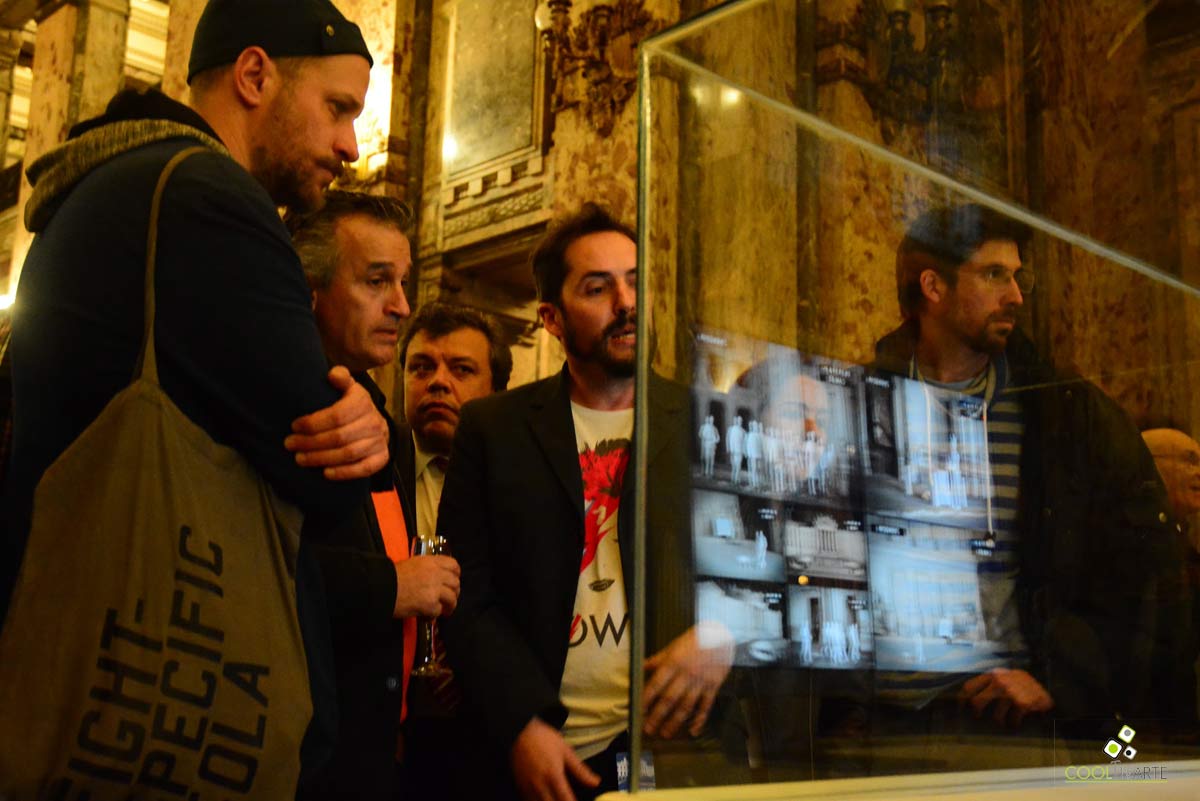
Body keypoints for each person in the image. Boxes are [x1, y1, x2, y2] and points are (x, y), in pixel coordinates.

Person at [0, 0, 391, 770]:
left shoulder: (114, 185)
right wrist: (358, 423)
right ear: (255, 75)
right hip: (157, 707)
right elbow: (328, 478)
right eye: (338, 108)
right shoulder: (210, 200)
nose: (350, 144)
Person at [439, 203, 733, 801]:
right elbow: (466, 593)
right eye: (597, 288)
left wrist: (725, 631)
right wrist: (520, 719)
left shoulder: (710, 423)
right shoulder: (494, 429)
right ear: (551, 317)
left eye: (633, 281)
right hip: (537, 750)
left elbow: (771, 562)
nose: (626, 303)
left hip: (670, 747)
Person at [872, 202, 1186, 747]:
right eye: (994, 275)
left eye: (1018, 277)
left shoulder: (1064, 415)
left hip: (1011, 730)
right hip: (883, 729)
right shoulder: (865, 404)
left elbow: (1144, 580)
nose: (1016, 296)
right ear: (933, 287)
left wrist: (1060, 682)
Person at [287, 191, 462, 800]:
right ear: (310, 288)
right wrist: (395, 587)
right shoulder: (287, 407)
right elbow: (266, 569)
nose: (401, 307)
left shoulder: (378, 418)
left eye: (403, 282)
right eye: (376, 280)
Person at [394, 301, 512, 801]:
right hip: (381, 734)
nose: (438, 382)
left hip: (487, 737)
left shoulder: (519, 485)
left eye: (461, 369)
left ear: (498, 390)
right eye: (421, 367)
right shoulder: (363, 465)